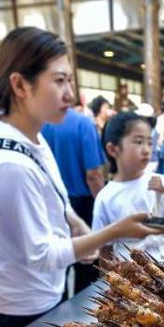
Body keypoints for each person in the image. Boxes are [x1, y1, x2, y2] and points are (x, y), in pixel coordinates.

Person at [0, 27, 164, 327]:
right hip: (24, 300)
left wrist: (77, 224)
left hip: (39, 284)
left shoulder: (31, 135)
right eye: (59, 80)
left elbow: (56, 199)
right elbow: (41, 256)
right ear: (20, 84)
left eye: (69, 80)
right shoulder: (8, 164)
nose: (70, 93)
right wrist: (115, 231)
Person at [93, 112, 164, 265]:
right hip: (133, 282)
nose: (146, 149)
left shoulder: (163, 184)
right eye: (138, 142)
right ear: (113, 149)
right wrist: (113, 284)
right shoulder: (106, 198)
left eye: (150, 143)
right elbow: (105, 252)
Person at [42, 108, 107, 293]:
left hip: (52, 205)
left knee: (57, 268)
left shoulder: (40, 124)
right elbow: (93, 175)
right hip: (82, 205)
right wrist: (102, 203)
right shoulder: (83, 123)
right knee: (87, 268)